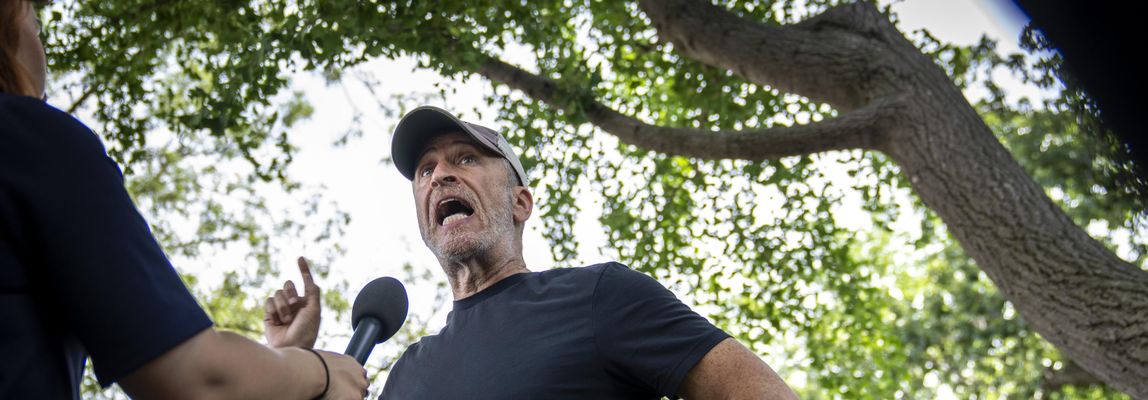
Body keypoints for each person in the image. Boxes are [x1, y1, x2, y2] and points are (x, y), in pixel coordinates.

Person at [267, 106, 800, 399]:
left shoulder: (600, 296)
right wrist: (288, 359)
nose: (440, 174)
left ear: (519, 202)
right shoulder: (407, 373)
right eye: (425, 170)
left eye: (466, 158)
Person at [0, 1, 368, 398]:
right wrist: (322, 372)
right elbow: (198, 380)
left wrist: (278, 362)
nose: (43, 50)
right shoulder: (32, 139)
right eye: (35, 25)